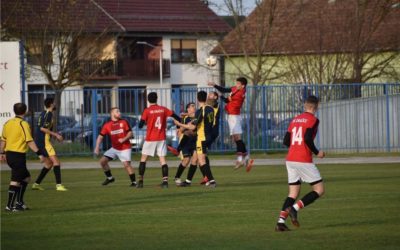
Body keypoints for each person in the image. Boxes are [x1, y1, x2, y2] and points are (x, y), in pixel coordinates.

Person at [275, 95, 325, 232]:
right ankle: (294, 209)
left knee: (293, 193)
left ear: (305, 105)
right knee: (319, 190)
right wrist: (317, 152)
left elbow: (286, 141)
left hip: (290, 159)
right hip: (303, 159)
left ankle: (280, 223)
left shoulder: (295, 119)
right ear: (316, 106)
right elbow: (308, 138)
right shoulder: (314, 120)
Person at [0, 103, 44, 212]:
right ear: (25, 111)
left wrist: (2, 153)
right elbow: (29, 141)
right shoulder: (23, 124)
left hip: (10, 155)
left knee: (26, 178)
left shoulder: (7, 123)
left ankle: (19, 202)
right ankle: (9, 206)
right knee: (15, 180)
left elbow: (3, 139)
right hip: (17, 155)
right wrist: (39, 154)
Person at [208, 77, 254, 171]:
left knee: (237, 138)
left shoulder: (240, 94)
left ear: (243, 86)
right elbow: (226, 90)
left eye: (238, 84)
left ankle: (240, 159)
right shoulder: (236, 89)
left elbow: (226, 100)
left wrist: (220, 96)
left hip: (234, 116)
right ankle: (246, 158)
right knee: (236, 138)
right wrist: (215, 85)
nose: (236, 85)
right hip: (231, 116)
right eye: (236, 83)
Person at [137, 92, 181, 188]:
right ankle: (165, 182)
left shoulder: (147, 110)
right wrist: (180, 123)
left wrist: (145, 123)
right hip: (161, 138)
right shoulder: (163, 109)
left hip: (150, 138)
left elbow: (140, 125)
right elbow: (175, 116)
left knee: (143, 160)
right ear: (157, 99)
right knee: (163, 161)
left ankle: (140, 181)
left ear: (148, 100)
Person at [174, 91, 217, 188]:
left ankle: (212, 181)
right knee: (195, 159)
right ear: (205, 98)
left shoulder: (200, 110)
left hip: (201, 137)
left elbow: (193, 127)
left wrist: (179, 124)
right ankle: (188, 181)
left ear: (198, 99)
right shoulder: (210, 109)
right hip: (209, 136)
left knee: (201, 161)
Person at [31, 98, 68, 191]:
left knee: (49, 164)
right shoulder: (49, 114)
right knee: (56, 162)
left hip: (40, 141)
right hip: (44, 142)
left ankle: (36, 184)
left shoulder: (44, 113)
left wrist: (54, 134)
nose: (55, 104)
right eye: (54, 103)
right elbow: (42, 128)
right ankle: (59, 185)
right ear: (51, 104)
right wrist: (56, 135)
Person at [94, 107, 136, 187]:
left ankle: (134, 182)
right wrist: (97, 147)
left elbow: (130, 133)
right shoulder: (107, 125)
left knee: (126, 164)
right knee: (102, 162)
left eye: (119, 111)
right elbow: (100, 137)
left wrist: (123, 139)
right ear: (112, 113)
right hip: (115, 148)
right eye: (117, 111)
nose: (119, 113)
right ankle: (110, 178)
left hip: (125, 147)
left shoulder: (124, 122)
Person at [173, 102, 198, 186]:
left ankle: (188, 181)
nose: (194, 107)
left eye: (194, 106)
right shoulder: (185, 118)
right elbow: (181, 130)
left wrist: (188, 128)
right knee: (186, 160)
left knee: (195, 160)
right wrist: (185, 127)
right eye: (192, 106)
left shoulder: (198, 116)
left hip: (195, 141)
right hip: (186, 141)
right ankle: (177, 177)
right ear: (188, 109)